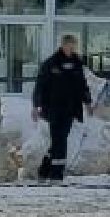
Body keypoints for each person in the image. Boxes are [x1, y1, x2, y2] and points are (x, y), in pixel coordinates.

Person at [31, 34, 92, 180]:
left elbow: (82, 85)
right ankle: (56, 175)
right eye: (68, 45)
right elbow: (40, 85)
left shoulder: (77, 63)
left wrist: (88, 102)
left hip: (71, 109)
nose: (71, 48)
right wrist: (36, 106)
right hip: (53, 108)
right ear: (63, 45)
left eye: (73, 46)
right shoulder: (51, 63)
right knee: (60, 140)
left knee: (60, 139)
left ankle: (44, 170)